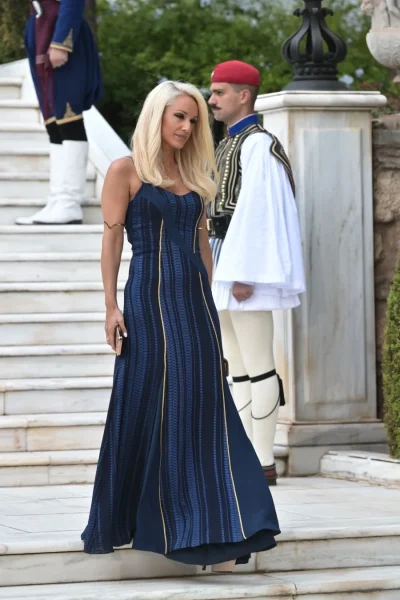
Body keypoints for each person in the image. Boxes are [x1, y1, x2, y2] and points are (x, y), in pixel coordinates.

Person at [81, 80, 280, 572]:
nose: (188, 127)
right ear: (157, 116)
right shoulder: (125, 170)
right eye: (179, 117)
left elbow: (202, 244)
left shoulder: (193, 173)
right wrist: (109, 307)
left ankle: (216, 523)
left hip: (193, 301)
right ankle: (146, 519)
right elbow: (111, 241)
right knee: (149, 400)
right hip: (148, 299)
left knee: (201, 402)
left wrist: (210, 300)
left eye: (193, 119)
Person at [208, 60, 306, 486]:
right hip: (224, 257)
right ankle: (246, 454)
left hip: (245, 263)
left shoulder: (258, 144)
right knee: (238, 365)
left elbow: (259, 210)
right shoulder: (228, 142)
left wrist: (244, 272)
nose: (212, 100)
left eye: (220, 92)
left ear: (244, 95)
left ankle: (263, 459)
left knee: (260, 363)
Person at [17, 0, 102, 225]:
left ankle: (69, 202)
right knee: (53, 123)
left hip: (57, 32)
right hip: (42, 29)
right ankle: (58, 199)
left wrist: (62, 41)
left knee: (68, 119)